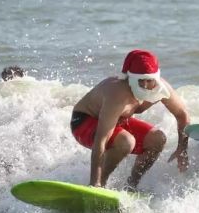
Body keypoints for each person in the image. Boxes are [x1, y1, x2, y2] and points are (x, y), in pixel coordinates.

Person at [71, 50, 190, 190]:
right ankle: (100, 185)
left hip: (117, 121)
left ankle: (131, 186)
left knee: (158, 139)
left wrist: (182, 148)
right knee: (126, 142)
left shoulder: (161, 89)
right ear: (129, 78)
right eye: (140, 81)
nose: (145, 85)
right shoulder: (118, 93)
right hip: (84, 122)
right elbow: (101, 139)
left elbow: (183, 115)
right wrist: (94, 182)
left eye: (149, 80)